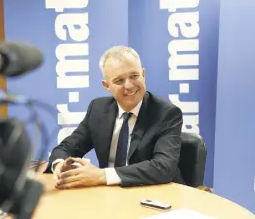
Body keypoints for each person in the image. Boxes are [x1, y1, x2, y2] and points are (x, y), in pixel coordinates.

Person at [47, 46, 184, 189]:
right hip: (109, 196)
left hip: (152, 193)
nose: (129, 85)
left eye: (134, 76)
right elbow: (68, 146)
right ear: (107, 86)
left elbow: (163, 167)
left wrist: (102, 175)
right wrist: (59, 164)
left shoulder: (166, 113)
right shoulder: (98, 109)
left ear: (143, 74)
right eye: (119, 81)